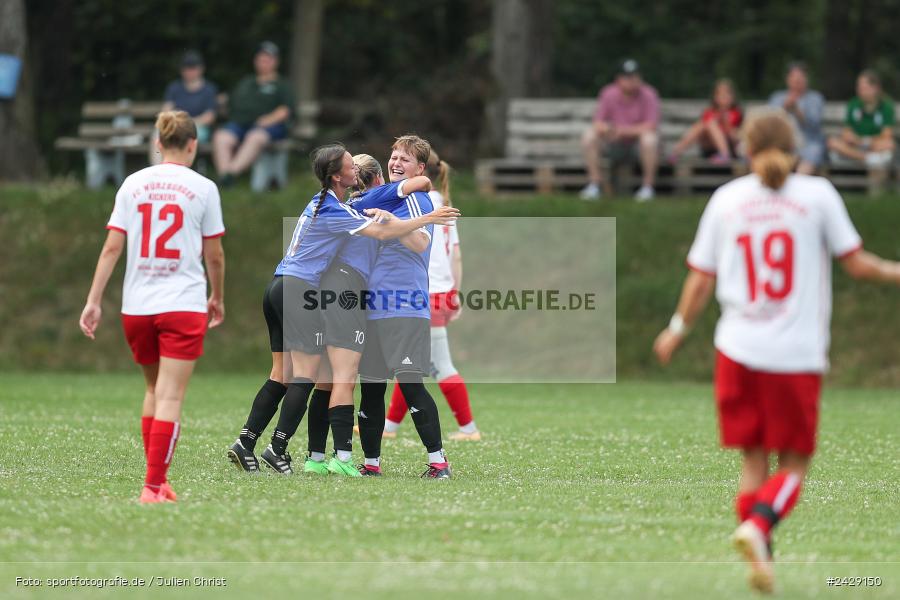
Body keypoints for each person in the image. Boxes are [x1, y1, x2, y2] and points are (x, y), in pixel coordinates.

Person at [652, 108, 900, 594]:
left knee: (752, 459)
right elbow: (856, 263)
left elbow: (701, 277)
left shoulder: (727, 199)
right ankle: (759, 528)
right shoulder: (818, 196)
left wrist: (677, 328)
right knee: (795, 463)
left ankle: (761, 559)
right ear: (797, 147)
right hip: (795, 354)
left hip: (737, 350)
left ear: (745, 148)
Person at [226, 144, 457, 475]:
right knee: (333, 377)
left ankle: (266, 447)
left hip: (286, 286)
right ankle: (305, 454)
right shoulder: (355, 205)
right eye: (350, 166)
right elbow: (412, 206)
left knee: (299, 376)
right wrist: (427, 215)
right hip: (328, 290)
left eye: (403, 159)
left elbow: (414, 201)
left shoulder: (337, 203)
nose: (355, 170)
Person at [79, 111, 226, 504]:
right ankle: (152, 485)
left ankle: (157, 483)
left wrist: (94, 300)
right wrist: (218, 296)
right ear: (194, 145)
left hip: (137, 306)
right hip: (182, 304)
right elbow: (214, 255)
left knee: (152, 388)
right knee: (171, 396)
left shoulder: (132, 183)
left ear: (158, 144)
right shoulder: (204, 187)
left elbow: (112, 247)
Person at [355, 135, 454, 479]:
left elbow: (418, 241)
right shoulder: (383, 197)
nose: (396, 163)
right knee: (370, 386)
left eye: (405, 160)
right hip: (373, 306)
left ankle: (439, 462)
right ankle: (371, 464)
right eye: (394, 156)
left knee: (410, 384)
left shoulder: (417, 199)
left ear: (420, 169)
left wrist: (389, 224)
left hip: (404, 304)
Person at [383, 150, 480, 441]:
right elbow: (456, 256)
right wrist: (456, 294)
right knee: (411, 362)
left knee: (440, 365)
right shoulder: (445, 205)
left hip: (428, 294)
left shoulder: (419, 204)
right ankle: (389, 427)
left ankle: (468, 429)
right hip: (444, 292)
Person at [212, 42, 294, 186]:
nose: (263, 63)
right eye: (261, 59)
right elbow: (229, 99)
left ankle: (230, 174)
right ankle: (225, 177)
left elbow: (285, 110)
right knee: (221, 137)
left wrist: (268, 119)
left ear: (275, 62)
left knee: (255, 136)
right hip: (240, 124)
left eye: (268, 60)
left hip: (269, 127)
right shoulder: (247, 82)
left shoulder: (282, 84)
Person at [579, 59, 660, 202]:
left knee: (650, 139)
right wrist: (609, 130)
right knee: (589, 136)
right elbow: (598, 123)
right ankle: (595, 185)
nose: (632, 81)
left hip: (637, 146)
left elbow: (651, 125)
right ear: (618, 79)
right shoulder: (608, 93)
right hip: (613, 144)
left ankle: (648, 187)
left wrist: (622, 131)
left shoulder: (649, 94)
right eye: (628, 77)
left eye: (635, 76)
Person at [149, 52, 218, 165]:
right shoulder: (174, 88)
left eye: (192, 68)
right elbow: (166, 110)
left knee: (184, 137)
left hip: (198, 127)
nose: (189, 72)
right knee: (158, 133)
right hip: (176, 125)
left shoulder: (208, 89)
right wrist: (174, 122)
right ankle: (157, 169)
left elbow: (209, 117)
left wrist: (187, 123)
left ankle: (178, 172)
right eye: (186, 68)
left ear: (200, 69)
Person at [827, 69, 895, 168]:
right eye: (858, 87)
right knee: (832, 142)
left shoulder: (886, 106)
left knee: (889, 144)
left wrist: (864, 141)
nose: (859, 91)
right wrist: (851, 137)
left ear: (875, 88)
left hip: (873, 146)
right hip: (855, 147)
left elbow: (886, 135)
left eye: (864, 88)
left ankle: (861, 157)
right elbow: (847, 131)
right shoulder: (853, 104)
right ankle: (866, 158)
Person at [768, 62, 825, 174]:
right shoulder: (777, 98)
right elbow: (771, 125)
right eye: (794, 77)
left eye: (800, 77)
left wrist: (797, 111)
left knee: (813, 152)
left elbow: (815, 126)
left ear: (806, 79)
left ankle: (799, 184)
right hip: (783, 144)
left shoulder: (815, 98)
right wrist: (784, 108)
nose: (797, 81)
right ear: (788, 79)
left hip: (808, 143)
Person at [669, 79, 743, 164]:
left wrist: (724, 121)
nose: (723, 96)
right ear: (715, 97)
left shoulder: (736, 113)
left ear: (733, 96)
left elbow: (735, 137)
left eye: (727, 93)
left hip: (731, 148)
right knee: (702, 125)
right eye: (720, 94)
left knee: (711, 124)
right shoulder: (710, 112)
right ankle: (676, 152)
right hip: (709, 148)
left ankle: (724, 153)